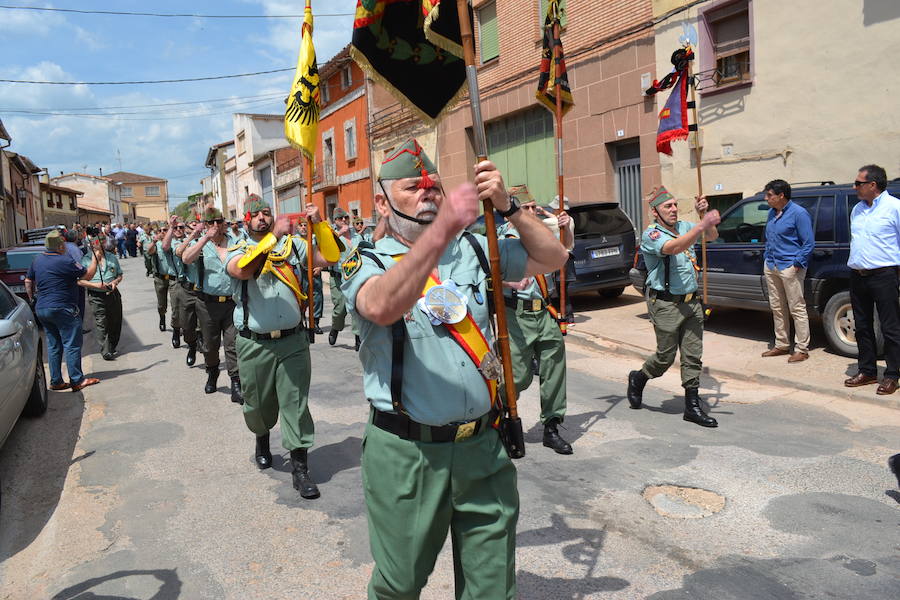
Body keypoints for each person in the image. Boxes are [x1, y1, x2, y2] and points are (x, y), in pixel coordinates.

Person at [341, 139, 568, 598]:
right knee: (399, 585)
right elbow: (381, 305)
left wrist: (508, 206)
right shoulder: (363, 259)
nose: (430, 193)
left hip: (482, 446)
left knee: (492, 585)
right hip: (409, 454)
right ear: (382, 202)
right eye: (414, 188)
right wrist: (440, 232)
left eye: (435, 187)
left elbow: (553, 258)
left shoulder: (476, 248)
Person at [225, 197, 339, 499]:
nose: (263, 218)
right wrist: (274, 235)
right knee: (258, 404)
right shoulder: (239, 248)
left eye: (267, 214)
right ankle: (262, 438)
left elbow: (330, 256)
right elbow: (243, 270)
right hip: (254, 343)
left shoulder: (293, 247)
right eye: (258, 215)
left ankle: (300, 470)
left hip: (292, 341)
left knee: (295, 404)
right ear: (246, 219)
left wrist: (321, 225)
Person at [626, 186, 721, 427]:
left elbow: (712, 236)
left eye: (676, 205)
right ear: (655, 212)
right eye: (668, 206)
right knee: (665, 357)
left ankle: (692, 406)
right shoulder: (652, 235)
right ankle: (639, 378)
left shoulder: (685, 226)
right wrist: (701, 225)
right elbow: (673, 248)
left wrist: (703, 217)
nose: (674, 209)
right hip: (666, 304)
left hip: (691, 303)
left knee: (693, 356)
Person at [498, 193, 573, 455]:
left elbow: (565, 251)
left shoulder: (544, 232)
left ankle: (552, 427)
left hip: (545, 313)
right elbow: (487, 273)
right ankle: (501, 417)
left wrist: (566, 228)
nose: (531, 210)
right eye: (525, 206)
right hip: (515, 315)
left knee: (554, 370)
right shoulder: (503, 237)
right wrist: (509, 281)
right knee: (517, 376)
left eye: (533, 206)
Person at [843, 164, 900, 395]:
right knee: (862, 326)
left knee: (890, 327)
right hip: (858, 275)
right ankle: (867, 370)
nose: (854, 186)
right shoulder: (857, 209)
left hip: (884, 275)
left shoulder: (894, 207)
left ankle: (893, 374)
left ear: (872, 185)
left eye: (858, 183)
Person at [24, 231, 100, 392]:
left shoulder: (37, 260)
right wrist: (95, 259)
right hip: (63, 308)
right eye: (63, 245)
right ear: (60, 246)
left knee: (53, 345)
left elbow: (28, 281)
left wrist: (32, 299)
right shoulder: (65, 260)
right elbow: (88, 275)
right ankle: (77, 380)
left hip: (42, 309)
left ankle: (56, 381)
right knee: (72, 344)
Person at [181, 207, 242, 403]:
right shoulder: (202, 244)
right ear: (205, 225)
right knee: (210, 345)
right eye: (211, 222)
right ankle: (213, 372)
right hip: (207, 304)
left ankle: (236, 382)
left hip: (232, 302)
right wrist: (204, 238)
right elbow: (186, 258)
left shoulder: (235, 241)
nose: (215, 226)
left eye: (219, 221)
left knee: (233, 345)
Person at [760, 179, 814, 363]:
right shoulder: (771, 213)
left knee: (796, 307)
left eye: (769, 195)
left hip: (790, 266)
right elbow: (769, 238)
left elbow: (808, 243)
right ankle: (782, 344)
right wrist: (767, 258)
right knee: (777, 307)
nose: (766, 198)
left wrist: (796, 264)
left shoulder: (799, 213)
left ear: (781, 195)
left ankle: (801, 348)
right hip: (772, 264)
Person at [78, 239, 123, 360]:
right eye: (94, 243)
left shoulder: (111, 257)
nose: (97, 244)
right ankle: (105, 350)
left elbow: (119, 274)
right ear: (90, 244)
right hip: (96, 295)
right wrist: (95, 285)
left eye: (100, 241)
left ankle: (112, 346)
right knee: (101, 322)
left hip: (112, 294)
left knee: (115, 321)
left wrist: (115, 282)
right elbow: (80, 281)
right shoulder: (86, 260)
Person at [173, 217, 204, 367]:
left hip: (204, 291)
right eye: (193, 226)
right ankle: (191, 345)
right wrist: (193, 236)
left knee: (206, 323)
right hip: (188, 290)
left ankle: (203, 342)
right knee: (187, 325)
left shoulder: (209, 241)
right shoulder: (183, 242)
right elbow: (179, 252)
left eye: (198, 226)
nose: (196, 228)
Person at [327, 207, 358, 348]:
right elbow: (325, 248)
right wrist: (339, 234)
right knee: (340, 307)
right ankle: (335, 327)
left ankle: (359, 337)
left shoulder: (357, 234)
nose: (344, 220)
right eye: (340, 218)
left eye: (346, 217)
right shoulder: (331, 233)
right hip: (338, 276)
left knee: (356, 307)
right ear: (335, 221)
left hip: (355, 276)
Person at [548, 194, 576, 325]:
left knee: (558, 290)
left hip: (561, 259)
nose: (552, 211)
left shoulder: (556, 222)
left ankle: (567, 316)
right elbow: (555, 219)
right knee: (563, 289)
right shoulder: (570, 219)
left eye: (554, 208)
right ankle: (568, 316)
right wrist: (543, 212)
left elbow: (551, 221)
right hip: (568, 258)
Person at [294, 219, 325, 334]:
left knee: (317, 297)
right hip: (301, 272)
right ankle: (301, 320)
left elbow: (323, 252)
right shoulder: (294, 240)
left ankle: (315, 322)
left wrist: (320, 267)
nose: (303, 227)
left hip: (315, 271)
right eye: (300, 225)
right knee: (302, 297)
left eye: (305, 225)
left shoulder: (315, 238)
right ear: (297, 228)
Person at [146, 224, 175, 332]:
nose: (162, 232)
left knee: (176, 304)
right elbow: (149, 251)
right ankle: (162, 317)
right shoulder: (156, 244)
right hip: (160, 278)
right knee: (161, 304)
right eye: (160, 230)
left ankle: (175, 325)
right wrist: (153, 242)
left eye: (165, 230)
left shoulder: (173, 242)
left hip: (173, 279)